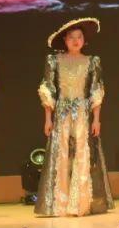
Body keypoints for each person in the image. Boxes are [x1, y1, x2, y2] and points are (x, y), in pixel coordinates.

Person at [34, 18, 114, 216]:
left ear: (84, 40)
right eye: (71, 37)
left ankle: (80, 203)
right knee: (61, 156)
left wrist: (96, 119)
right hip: (61, 113)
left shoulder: (91, 62)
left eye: (79, 37)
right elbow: (49, 89)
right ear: (65, 40)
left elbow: (96, 91)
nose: (76, 41)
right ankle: (60, 203)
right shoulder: (54, 61)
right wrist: (48, 118)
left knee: (81, 155)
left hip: (82, 114)